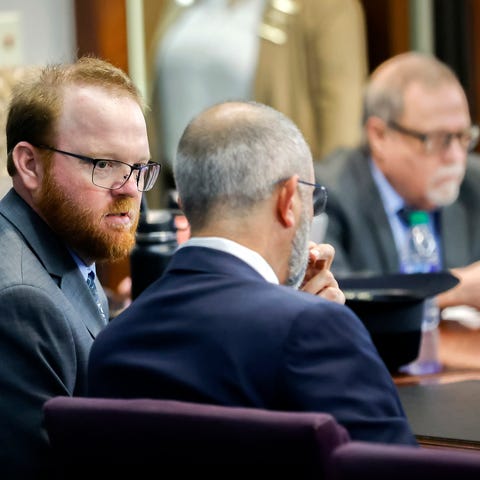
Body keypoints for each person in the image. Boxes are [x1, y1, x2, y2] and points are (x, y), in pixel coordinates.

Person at [88, 100, 416, 446]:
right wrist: (314, 320)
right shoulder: (315, 331)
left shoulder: (114, 343)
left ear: (184, 203)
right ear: (288, 200)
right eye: (312, 200)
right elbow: (398, 466)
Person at [0, 56, 160, 478]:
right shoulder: (21, 302)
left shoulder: (58, 259)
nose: (129, 189)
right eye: (102, 164)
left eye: (139, 167)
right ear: (30, 165)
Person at [148, 0, 368, 205]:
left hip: (265, 204)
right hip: (178, 196)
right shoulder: (183, 5)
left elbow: (341, 132)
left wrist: (318, 209)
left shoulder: (324, 7)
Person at [314, 51, 480, 312]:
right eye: (438, 139)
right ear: (379, 135)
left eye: (463, 137)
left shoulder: (474, 183)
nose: (456, 157)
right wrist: (453, 290)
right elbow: (334, 295)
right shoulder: (327, 194)